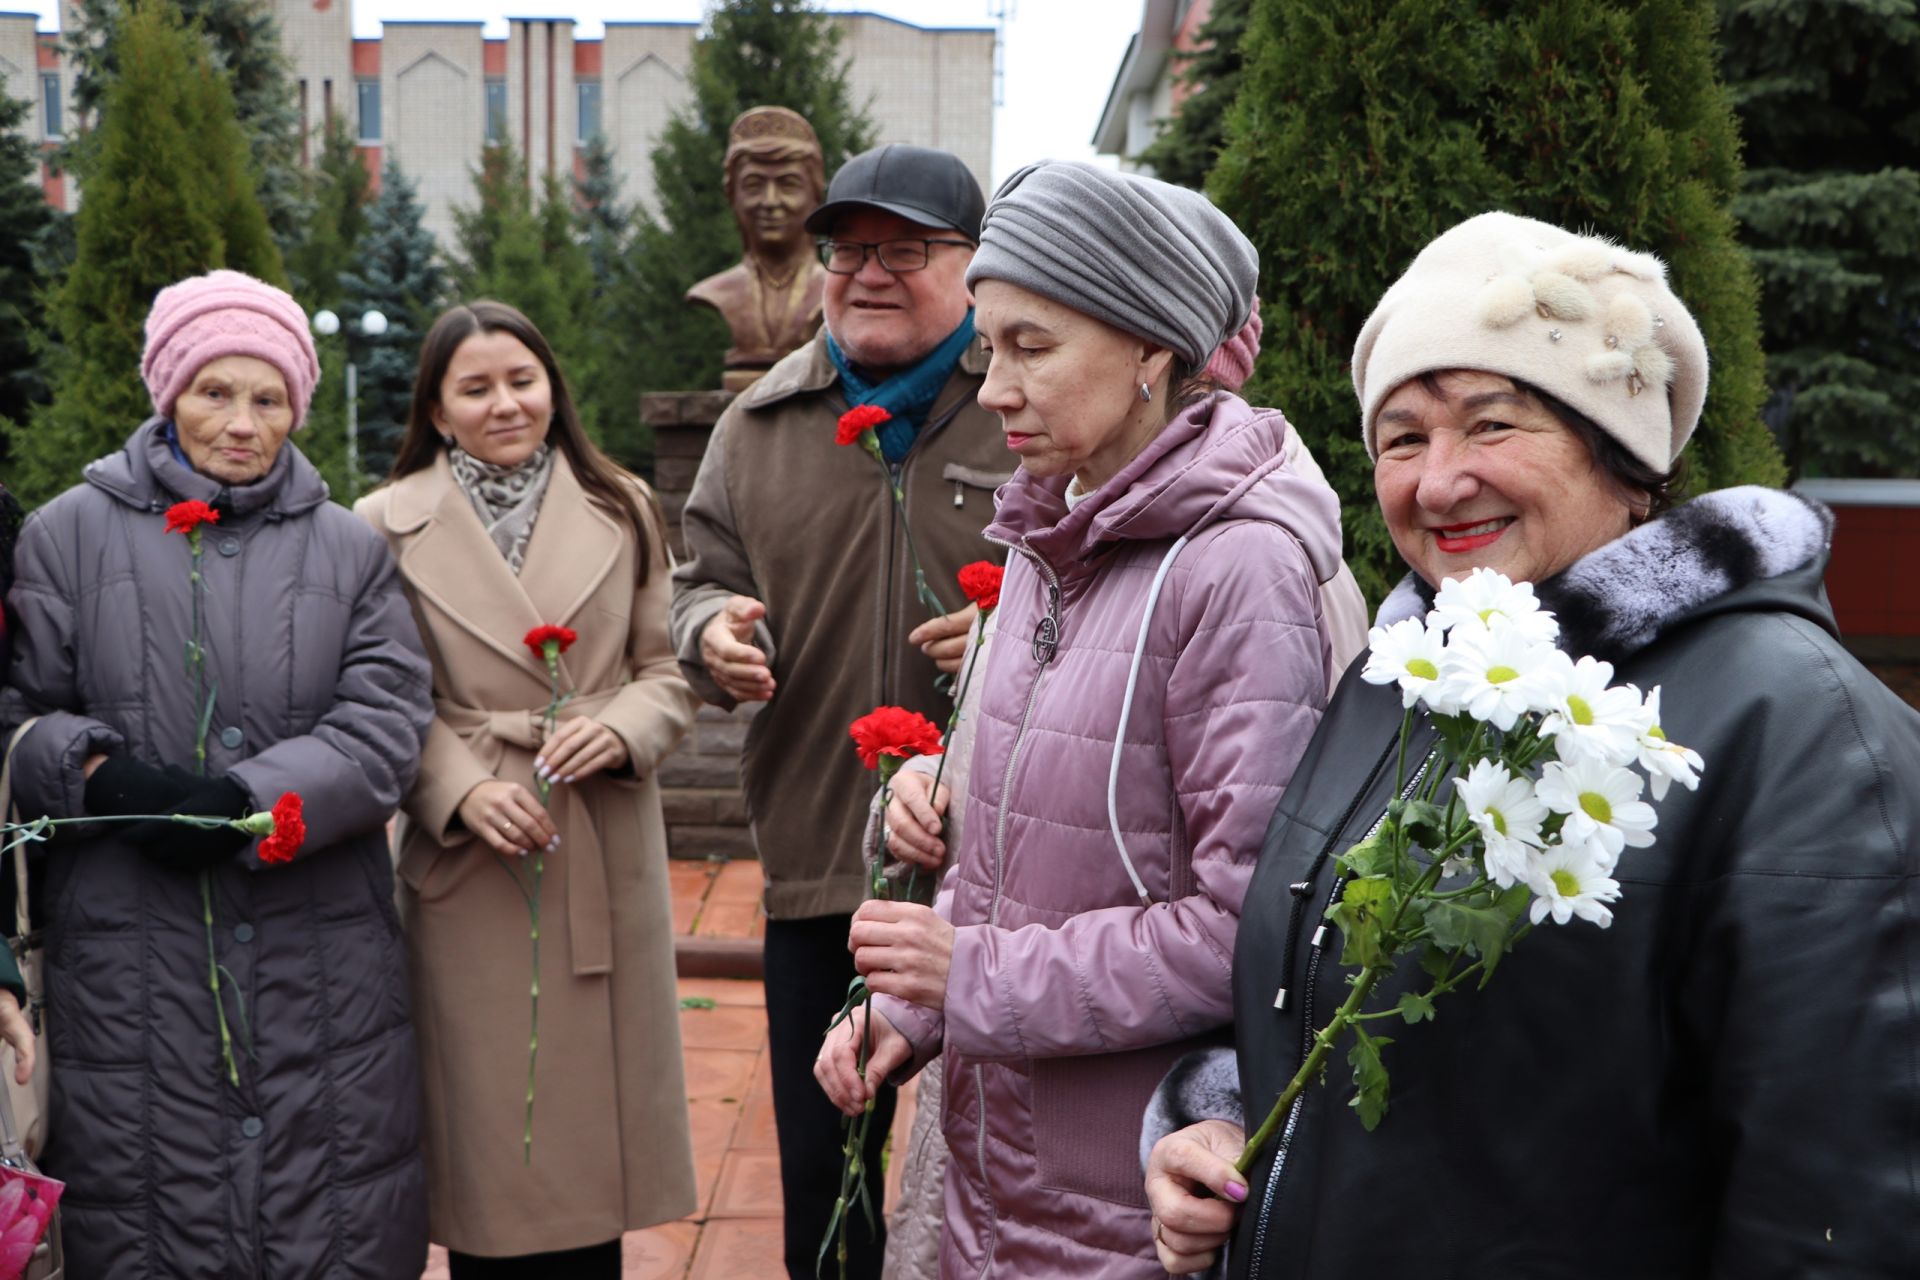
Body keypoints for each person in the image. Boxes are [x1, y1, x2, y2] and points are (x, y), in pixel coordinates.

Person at [1143, 211, 1920, 1277]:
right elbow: (1330, 996)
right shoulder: (1402, 675)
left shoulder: (1794, 724)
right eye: (1402, 438)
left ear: (1622, 450)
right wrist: (1225, 1121)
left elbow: (1841, 1193)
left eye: (1493, 424)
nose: (1438, 480)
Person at [814, 160, 1365, 1277]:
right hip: (993, 1176)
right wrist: (915, 1010)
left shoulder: (1239, 567)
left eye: (1033, 347)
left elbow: (1246, 933)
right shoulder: (1049, 537)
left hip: (1134, 1203)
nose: (997, 388)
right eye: (989, 346)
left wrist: (963, 973)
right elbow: (1016, 860)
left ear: (1152, 348)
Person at [0, 269, 434, 1277]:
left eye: (268, 397)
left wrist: (248, 798)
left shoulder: (349, 548)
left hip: (317, 958)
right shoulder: (66, 533)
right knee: (150, 1214)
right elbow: (16, 716)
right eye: (214, 391)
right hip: (130, 956)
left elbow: (387, 722)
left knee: (328, 1214)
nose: (241, 422)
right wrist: (108, 781)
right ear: (168, 391)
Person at [669, 142, 1006, 1279]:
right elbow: (697, 574)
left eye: (904, 249)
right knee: (830, 1178)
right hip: (821, 861)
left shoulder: (1028, 408)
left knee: (994, 1173)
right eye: (848, 249)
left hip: (1004, 879)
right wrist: (708, 629)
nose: (868, 272)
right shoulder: (758, 426)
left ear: (973, 263)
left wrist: (1017, 634)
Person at [356, 300, 698, 1278]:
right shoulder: (379, 525)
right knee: (493, 1142)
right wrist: (456, 789)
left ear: (553, 385)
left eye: (523, 379)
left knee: (588, 1150)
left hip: (595, 833)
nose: (506, 402)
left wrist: (622, 727)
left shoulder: (621, 501)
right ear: (436, 406)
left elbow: (664, 671)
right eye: (476, 386)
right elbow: (376, 697)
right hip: (470, 864)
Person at [684, 106, 831, 383]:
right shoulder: (717, 292)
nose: (770, 201)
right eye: (753, 185)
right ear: (732, 195)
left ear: (814, 194)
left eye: (788, 185)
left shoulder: (834, 291)